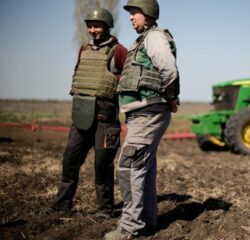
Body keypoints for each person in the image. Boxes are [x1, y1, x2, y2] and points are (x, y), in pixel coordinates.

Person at [104, 0, 180, 238]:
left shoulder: (154, 38)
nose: (130, 17)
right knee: (143, 168)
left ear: (147, 14)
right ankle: (147, 221)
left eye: (134, 12)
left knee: (129, 166)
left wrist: (172, 97)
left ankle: (130, 227)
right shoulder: (143, 40)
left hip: (149, 110)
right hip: (143, 111)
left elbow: (169, 69)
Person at [44, 8, 127, 220]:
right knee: (69, 160)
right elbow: (79, 75)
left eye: (97, 26)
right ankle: (62, 205)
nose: (92, 30)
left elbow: (129, 80)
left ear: (107, 27)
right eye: (90, 26)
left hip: (104, 121)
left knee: (102, 165)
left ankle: (105, 210)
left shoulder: (118, 51)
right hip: (81, 117)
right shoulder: (83, 49)